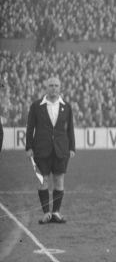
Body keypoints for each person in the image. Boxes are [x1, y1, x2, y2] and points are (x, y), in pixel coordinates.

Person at [25, 76, 76, 224]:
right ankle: (46, 213)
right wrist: (29, 147)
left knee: (59, 180)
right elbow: (30, 128)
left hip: (61, 150)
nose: (53, 88)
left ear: (60, 88)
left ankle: (56, 212)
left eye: (56, 85)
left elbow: (70, 129)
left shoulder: (66, 106)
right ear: (46, 87)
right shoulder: (36, 106)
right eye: (51, 85)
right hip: (41, 149)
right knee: (43, 181)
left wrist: (72, 147)